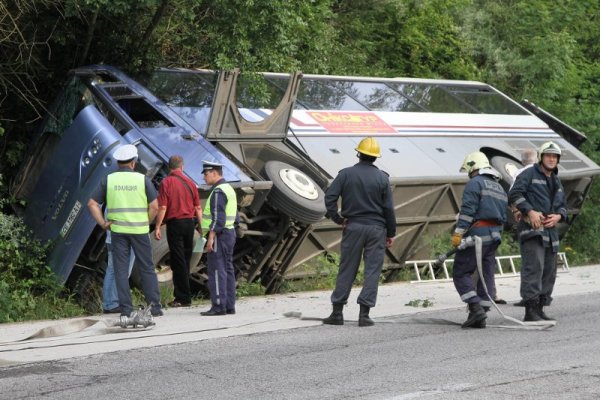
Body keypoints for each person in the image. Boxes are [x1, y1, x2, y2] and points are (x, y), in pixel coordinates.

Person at [322, 137, 396, 327]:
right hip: (377, 229)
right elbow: (389, 209)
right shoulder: (382, 178)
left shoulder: (345, 174)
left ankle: (337, 314)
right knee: (372, 270)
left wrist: (338, 219)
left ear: (358, 153)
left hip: (353, 227)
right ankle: (364, 315)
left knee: (347, 268)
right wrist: (391, 233)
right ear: (375, 157)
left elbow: (330, 198)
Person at [87, 144, 163, 318]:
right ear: (133, 162)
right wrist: (146, 221)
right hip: (139, 231)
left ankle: (126, 309)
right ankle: (155, 307)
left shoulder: (109, 180)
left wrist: (103, 223)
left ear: (118, 163)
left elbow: (92, 203)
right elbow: (154, 207)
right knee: (147, 268)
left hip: (118, 231)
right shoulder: (142, 180)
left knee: (120, 270)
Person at [509, 141, 567, 322]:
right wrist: (529, 211)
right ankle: (530, 310)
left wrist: (559, 216)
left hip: (551, 233)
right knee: (534, 269)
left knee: (549, 272)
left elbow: (563, 206)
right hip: (533, 231)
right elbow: (514, 194)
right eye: (548, 155)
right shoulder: (529, 173)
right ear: (541, 157)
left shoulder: (556, 180)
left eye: (555, 156)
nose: (552, 159)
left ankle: (540, 308)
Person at [452, 151, 507, 329]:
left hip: (477, 235)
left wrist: (458, 233)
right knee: (486, 273)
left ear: (473, 167)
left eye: (469, 170)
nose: (469, 174)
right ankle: (482, 313)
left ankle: (475, 309)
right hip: (495, 235)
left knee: (461, 272)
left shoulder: (474, 183)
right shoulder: (498, 186)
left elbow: (468, 211)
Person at [154, 155, 203, 308]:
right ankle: (184, 296)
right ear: (182, 167)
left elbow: (162, 207)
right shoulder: (191, 183)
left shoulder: (166, 182)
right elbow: (198, 208)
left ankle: (183, 298)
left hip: (175, 224)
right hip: (189, 224)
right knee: (185, 261)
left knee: (178, 261)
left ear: (170, 167)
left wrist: (157, 226)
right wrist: (202, 227)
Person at [199, 161, 238, 316]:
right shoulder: (229, 188)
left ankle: (218, 306)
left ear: (214, 173)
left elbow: (218, 218)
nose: (204, 177)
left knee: (216, 270)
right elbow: (235, 216)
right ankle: (229, 305)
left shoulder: (218, 191)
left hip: (219, 236)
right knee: (227, 269)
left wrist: (211, 238)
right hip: (229, 233)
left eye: (206, 174)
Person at [510, 148, 537, 307]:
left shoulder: (519, 174)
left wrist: (515, 211)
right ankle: (540, 295)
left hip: (527, 219)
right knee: (541, 260)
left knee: (528, 260)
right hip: (545, 220)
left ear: (522, 161)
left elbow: (513, 195)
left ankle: (528, 297)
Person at [102, 225, 135, 314]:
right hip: (123, 241)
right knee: (123, 271)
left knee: (111, 271)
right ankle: (114, 303)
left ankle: (108, 304)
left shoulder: (108, 210)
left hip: (111, 239)